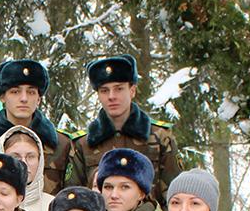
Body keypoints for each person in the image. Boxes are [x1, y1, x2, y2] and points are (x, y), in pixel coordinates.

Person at [68, 56, 182, 198]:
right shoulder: (83, 143)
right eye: (104, 90)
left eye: (119, 89)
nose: (111, 96)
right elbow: (73, 196)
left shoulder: (159, 137)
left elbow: (175, 194)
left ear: (132, 90)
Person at [0, 59, 76, 193]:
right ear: (2, 97)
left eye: (31, 92)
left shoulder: (62, 144)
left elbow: (73, 194)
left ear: (39, 99)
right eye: (15, 92)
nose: (24, 98)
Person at [0, 124, 56, 211]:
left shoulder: (54, 206)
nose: (24, 163)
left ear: (40, 160)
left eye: (30, 156)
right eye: (15, 157)